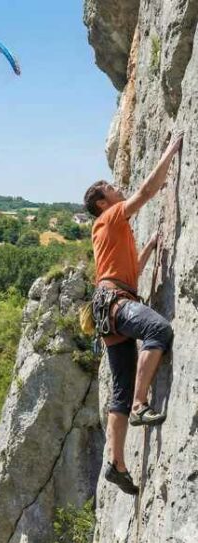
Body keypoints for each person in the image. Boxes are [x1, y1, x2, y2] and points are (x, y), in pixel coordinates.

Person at [84, 134, 182, 495]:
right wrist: (170, 150)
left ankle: (116, 463)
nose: (118, 188)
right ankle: (142, 405)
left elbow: (127, 274)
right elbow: (145, 192)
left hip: (110, 305)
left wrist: (150, 248)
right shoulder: (110, 218)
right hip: (115, 303)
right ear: (102, 202)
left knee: (120, 389)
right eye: (111, 188)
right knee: (158, 329)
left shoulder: (111, 231)